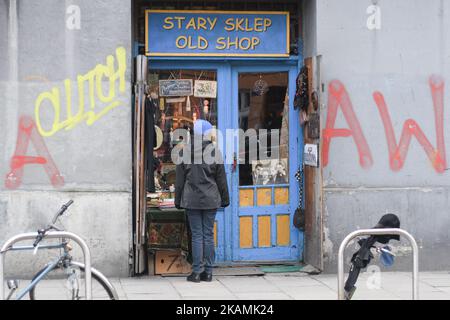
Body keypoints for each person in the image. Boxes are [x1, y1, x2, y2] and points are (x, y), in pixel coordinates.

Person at [175, 119, 230, 283]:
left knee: (197, 235)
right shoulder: (215, 152)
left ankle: (197, 272)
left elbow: (179, 181)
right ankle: (209, 272)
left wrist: (178, 201)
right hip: (211, 199)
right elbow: (221, 179)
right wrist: (225, 199)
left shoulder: (184, 152)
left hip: (191, 199)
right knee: (208, 234)